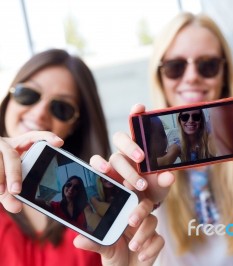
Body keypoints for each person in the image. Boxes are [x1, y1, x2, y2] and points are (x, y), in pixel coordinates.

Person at [93, 12, 233, 266]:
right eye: (175, 67)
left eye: (207, 65)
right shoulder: (143, 169)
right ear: (160, 77)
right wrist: (127, 203)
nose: (191, 77)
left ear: (224, 73)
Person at [0, 49, 164, 265]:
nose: (40, 112)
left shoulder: (96, 234)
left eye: (62, 108)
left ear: (75, 127)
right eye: (27, 94)